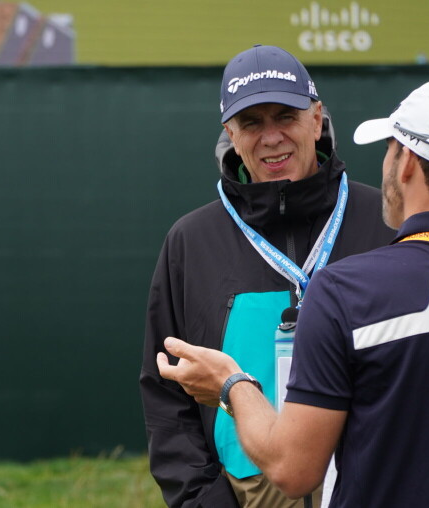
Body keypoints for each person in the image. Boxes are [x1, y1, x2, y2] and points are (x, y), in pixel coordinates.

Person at [156, 79, 429, 507]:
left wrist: (231, 385)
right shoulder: (193, 239)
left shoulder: (345, 291)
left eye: (389, 149)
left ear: (407, 162)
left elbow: (293, 469)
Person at [139, 45, 394, 508]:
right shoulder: (191, 241)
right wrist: (203, 500)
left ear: (317, 120)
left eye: (285, 116)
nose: (271, 137)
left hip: (372, 487)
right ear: (230, 135)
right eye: (252, 123)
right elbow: (166, 394)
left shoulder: (383, 222)